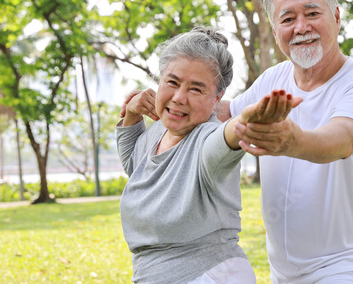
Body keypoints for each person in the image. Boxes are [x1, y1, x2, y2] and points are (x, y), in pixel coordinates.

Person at [225, 0, 353, 283]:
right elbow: (226, 113)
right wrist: (171, 99)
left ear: (337, 16)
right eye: (287, 19)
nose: (301, 27)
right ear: (276, 31)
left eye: (312, 13)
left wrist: (291, 141)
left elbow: (340, 140)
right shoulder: (273, 79)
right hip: (283, 273)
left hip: (350, 264)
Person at [116, 27, 301, 284]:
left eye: (196, 89)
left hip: (210, 275)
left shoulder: (206, 140)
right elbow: (134, 165)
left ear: (218, 97)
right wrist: (133, 114)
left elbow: (223, 139)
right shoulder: (158, 130)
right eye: (172, 82)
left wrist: (244, 123)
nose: (179, 98)